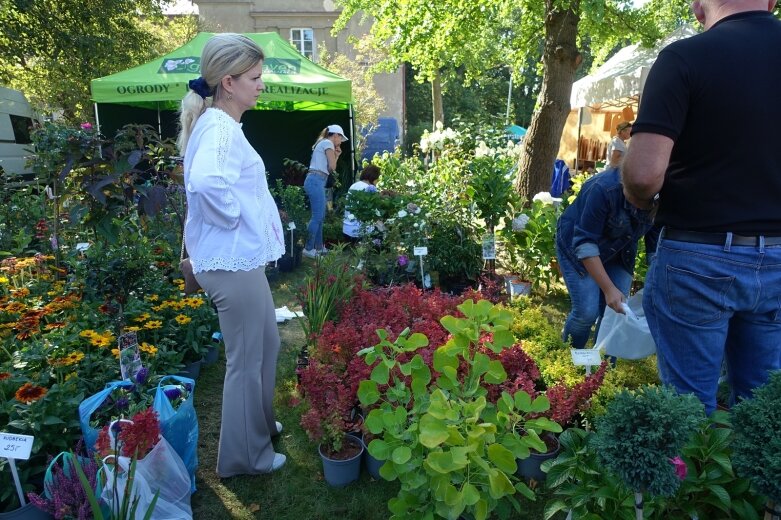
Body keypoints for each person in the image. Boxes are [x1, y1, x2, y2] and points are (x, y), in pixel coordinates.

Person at [622, 0, 781, 415]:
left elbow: (641, 175)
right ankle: (756, 481)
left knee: (688, 413)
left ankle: (692, 478)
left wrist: (642, 204)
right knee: (766, 413)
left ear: (698, 5)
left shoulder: (685, 57)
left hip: (698, 255)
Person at [177, 33, 287, 476]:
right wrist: (237, 220)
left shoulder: (221, 124)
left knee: (267, 343)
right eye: (255, 77)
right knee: (246, 360)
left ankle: (258, 427)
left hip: (238, 263)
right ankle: (246, 458)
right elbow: (205, 184)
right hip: (229, 264)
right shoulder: (220, 127)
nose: (262, 84)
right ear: (228, 82)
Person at [555, 167, 658, 349]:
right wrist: (608, 288)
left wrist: (657, 280)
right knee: (586, 313)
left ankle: (603, 371)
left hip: (620, 252)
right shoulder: (602, 188)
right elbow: (585, 243)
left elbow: (655, 241)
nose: (641, 212)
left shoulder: (661, 192)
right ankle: (569, 362)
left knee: (617, 313)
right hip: (578, 245)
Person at [303, 124, 348, 258]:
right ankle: (308, 248)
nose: (340, 142)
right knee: (317, 217)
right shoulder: (327, 143)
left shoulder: (323, 143)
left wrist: (337, 155)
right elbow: (333, 167)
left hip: (316, 180)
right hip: (316, 180)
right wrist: (336, 154)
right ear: (335, 135)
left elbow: (329, 168)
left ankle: (318, 247)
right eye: (340, 138)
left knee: (320, 217)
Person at [342, 164, 380, 240]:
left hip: (346, 230)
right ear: (374, 177)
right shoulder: (370, 188)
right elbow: (374, 213)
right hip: (360, 233)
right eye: (378, 178)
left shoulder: (353, 185)